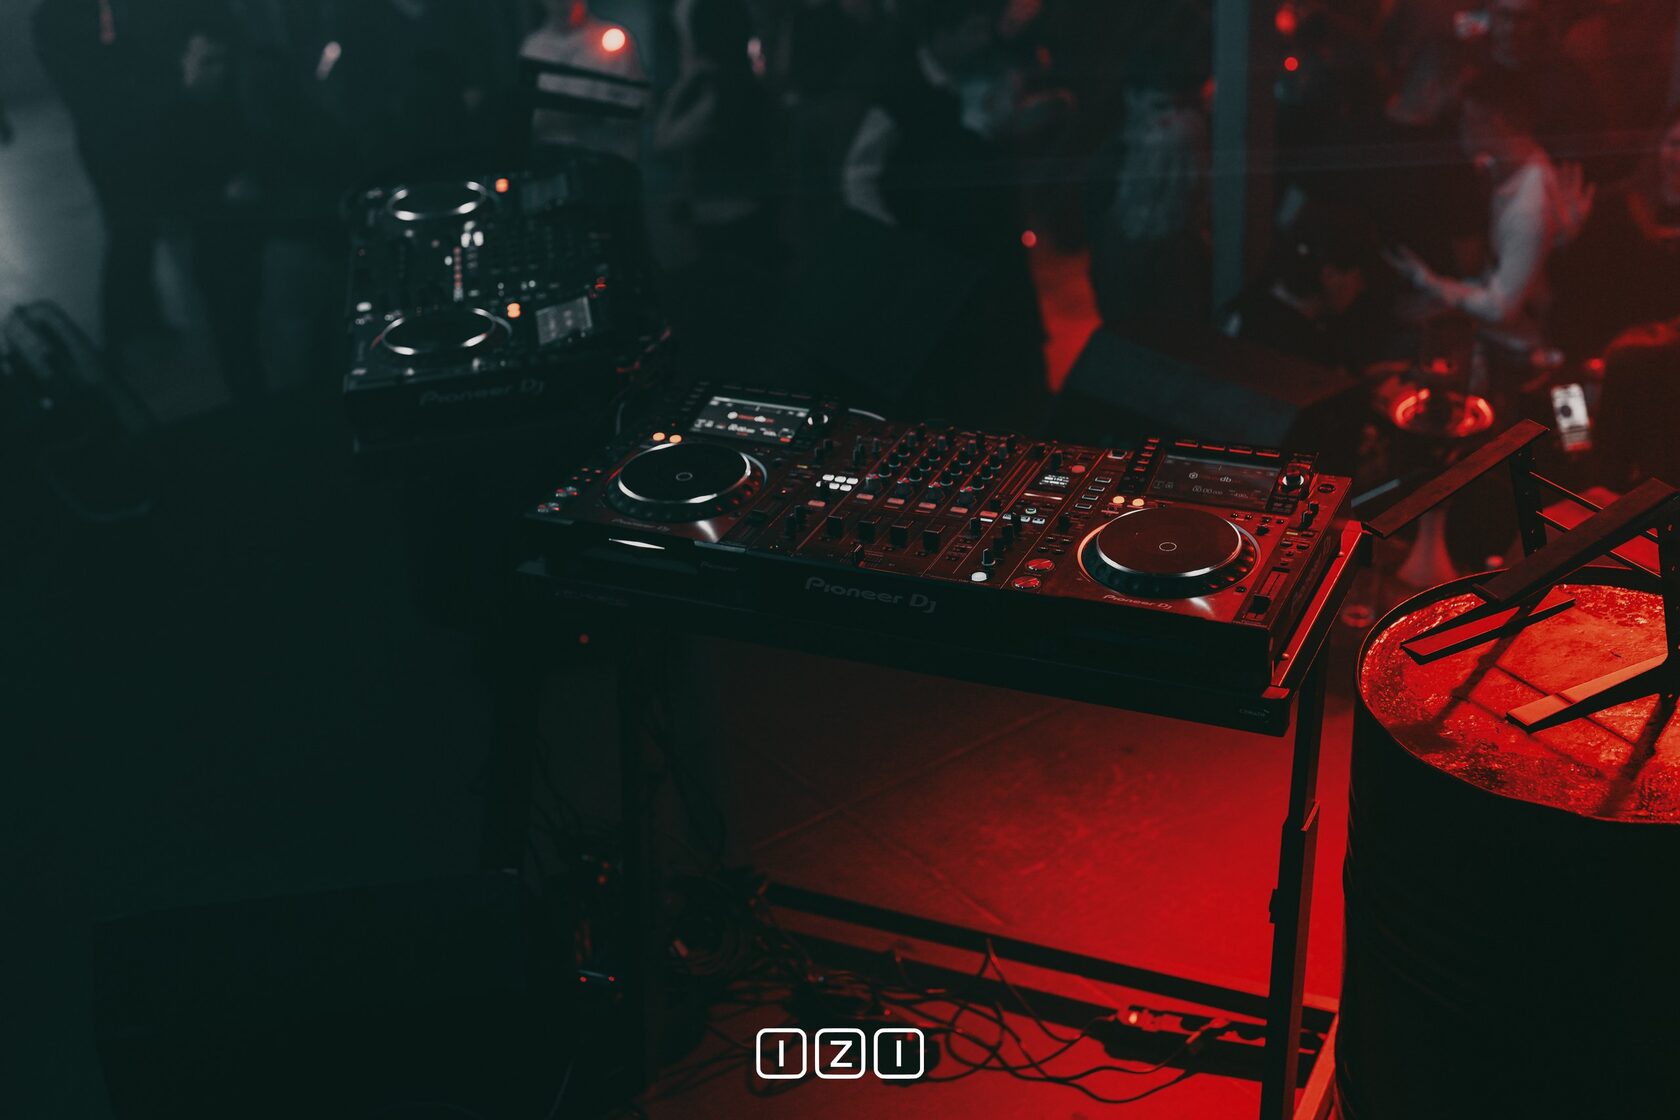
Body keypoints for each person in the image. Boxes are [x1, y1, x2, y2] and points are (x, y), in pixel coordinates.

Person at [1387, 84, 1594, 342]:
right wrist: (1448, 297)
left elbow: (1501, 309)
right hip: (1499, 327)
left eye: (1467, 120)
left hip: (1518, 346)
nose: (1460, 129)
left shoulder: (1529, 207)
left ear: (1497, 124)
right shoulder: (1511, 163)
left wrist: (1428, 282)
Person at [1085, 39, 1208, 329]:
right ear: (1133, 98)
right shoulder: (1109, 166)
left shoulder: (1198, 154)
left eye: (1182, 108)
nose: (1174, 122)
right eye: (1160, 107)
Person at [654, 0, 780, 268]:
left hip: (724, 227)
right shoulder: (748, 87)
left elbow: (663, 140)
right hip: (750, 218)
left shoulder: (719, 96)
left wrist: (684, 83)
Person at [1552, 106, 1680, 358]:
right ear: (1659, 145)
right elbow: (1574, 286)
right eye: (1675, 144)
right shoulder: (1616, 204)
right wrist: (1566, 239)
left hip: (1664, 364)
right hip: (1598, 353)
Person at [1221, 204, 1377, 371]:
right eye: (1358, 278)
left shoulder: (1249, 305)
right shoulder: (1304, 352)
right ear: (1329, 275)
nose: (1360, 288)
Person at [520, 0, 646, 161]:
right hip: (551, 161)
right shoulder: (533, 47)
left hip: (603, 159)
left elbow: (637, 106)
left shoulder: (613, 40)